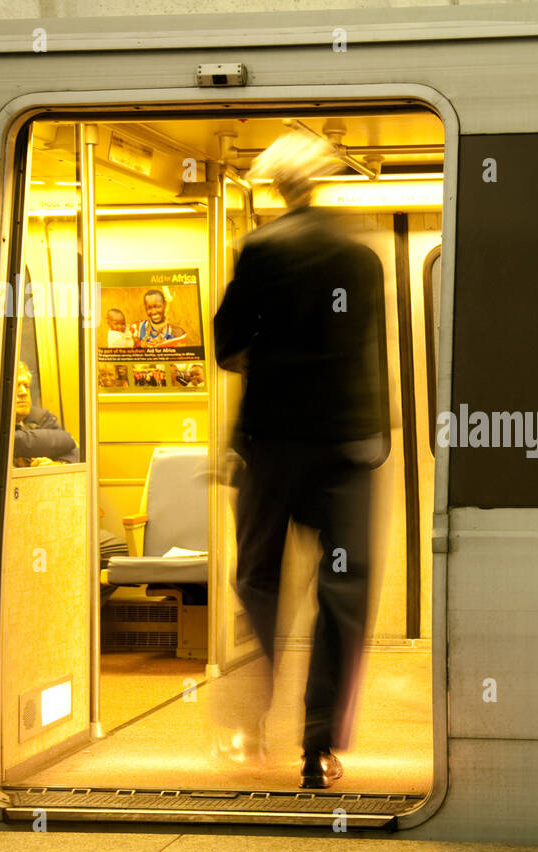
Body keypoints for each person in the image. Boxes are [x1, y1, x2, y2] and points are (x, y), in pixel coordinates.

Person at [213, 127, 387, 789]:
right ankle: (319, 748)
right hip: (346, 448)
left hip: (270, 447)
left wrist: (270, 357)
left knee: (258, 577)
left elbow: (227, 346)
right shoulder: (359, 255)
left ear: (275, 185)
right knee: (342, 593)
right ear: (320, 179)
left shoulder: (259, 249)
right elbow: (365, 352)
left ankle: (255, 712)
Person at [13, 361, 79, 467]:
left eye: (26, 386)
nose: (23, 392)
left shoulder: (40, 417)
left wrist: (56, 464)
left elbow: (75, 451)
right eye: (15, 386)